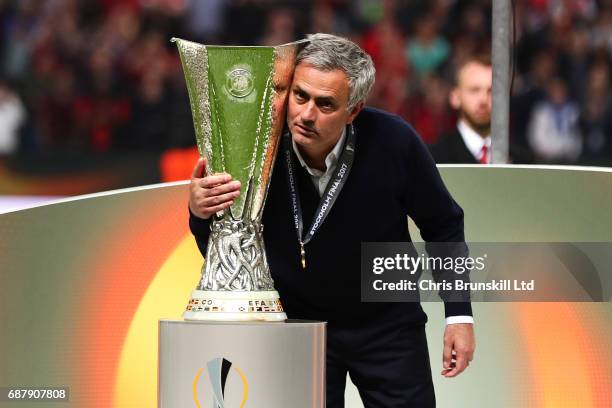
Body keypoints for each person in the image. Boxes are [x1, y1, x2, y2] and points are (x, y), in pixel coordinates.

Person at [189, 33, 475, 407]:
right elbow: (225, 245)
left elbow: (443, 225)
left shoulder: (395, 141)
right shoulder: (256, 144)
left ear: (353, 110)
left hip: (387, 323)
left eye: (326, 104)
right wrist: (199, 211)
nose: (306, 114)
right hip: (299, 325)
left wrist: (459, 315)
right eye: (300, 96)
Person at [430, 55, 492, 164]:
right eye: (474, 90)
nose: (483, 100)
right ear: (455, 97)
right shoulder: (434, 157)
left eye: (492, 91)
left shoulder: (522, 159)